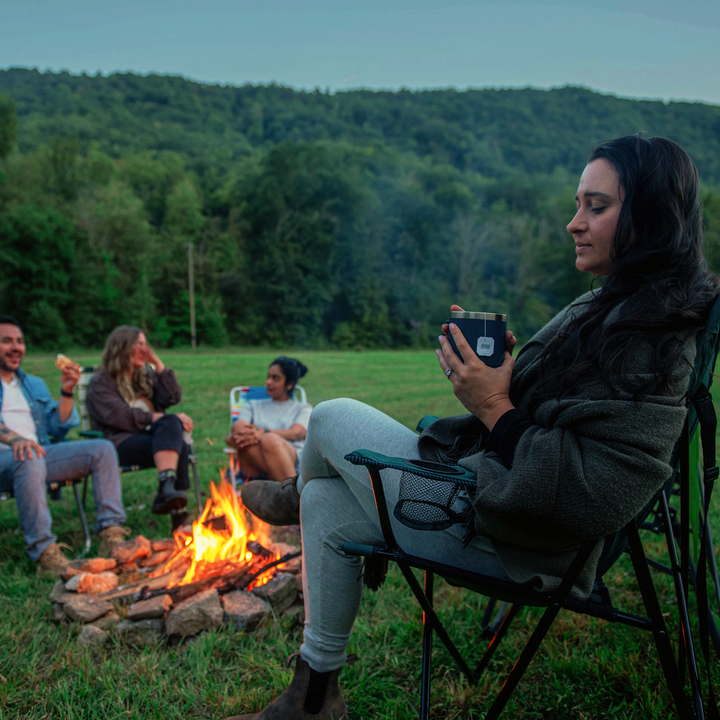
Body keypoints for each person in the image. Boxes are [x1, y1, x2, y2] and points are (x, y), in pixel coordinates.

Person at [229, 135, 719, 720]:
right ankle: (312, 699)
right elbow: (552, 417)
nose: (573, 223)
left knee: (331, 418)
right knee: (330, 501)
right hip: (497, 507)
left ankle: (294, 490)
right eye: (578, 204)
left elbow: (591, 493)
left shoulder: (651, 343)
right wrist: (505, 382)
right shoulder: (622, 308)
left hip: (526, 545)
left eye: (596, 206)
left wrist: (492, 406)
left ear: (650, 217)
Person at [0, 317, 129, 575]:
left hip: (38, 455)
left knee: (102, 449)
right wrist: (15, 439)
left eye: (20, 341)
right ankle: (45, 554)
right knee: (29, 456)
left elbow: (56, 427)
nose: (16, 347)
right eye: (6, 341)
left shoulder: (32, 384)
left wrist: (67, 392)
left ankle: (111, 536)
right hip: (9, 458)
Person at [86, 326, 194, 528]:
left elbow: (173, 396)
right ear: (121, 348)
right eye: (139, 345)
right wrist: (157, 417)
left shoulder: (144, 376)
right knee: (176, 437)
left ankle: (167, 488)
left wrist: (157, 363)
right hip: (119, 444)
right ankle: (178, 514)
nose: (144, 351)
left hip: (153, 441)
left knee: (172, 425)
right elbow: (120, 417)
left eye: (146, 346)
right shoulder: (101, 382)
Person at [225, 357, 311, 488]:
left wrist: (264, 433)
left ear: (289, 384)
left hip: (292, 462)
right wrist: (254, 434)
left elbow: (296, 433)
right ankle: (296, 496)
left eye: (275, 378)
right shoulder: (252, 405)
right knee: (241, 435)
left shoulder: (302, 408)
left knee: (269, 440)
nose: (268, 382)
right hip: (254, 466)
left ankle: (293, 494)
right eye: (268, 377)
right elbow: (238, 430)